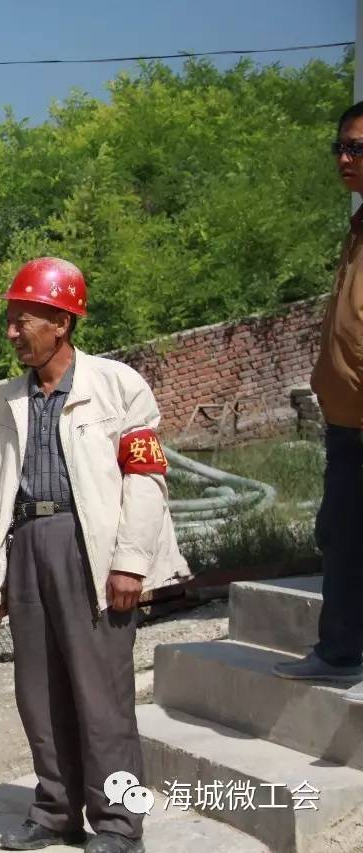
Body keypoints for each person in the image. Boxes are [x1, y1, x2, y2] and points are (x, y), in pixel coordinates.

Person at [0, 258, 189, 853]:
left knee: (102, 697)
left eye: (23, 321)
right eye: (11, 320)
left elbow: (146, 479)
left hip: (90, 549)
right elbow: (1, 490)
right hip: (29, 545)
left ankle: (120, 825)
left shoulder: (119, 386)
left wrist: (130, 561)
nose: (13, 332)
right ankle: (54, 813)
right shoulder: (8, 401)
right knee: (38, 695)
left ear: (61, 323)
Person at [274, 100, 363, 702]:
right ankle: (339, 651)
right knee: (340, 535)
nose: (345, 157)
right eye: (340, 146)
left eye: (358, 148)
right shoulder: (358, 228)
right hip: (347, 424)